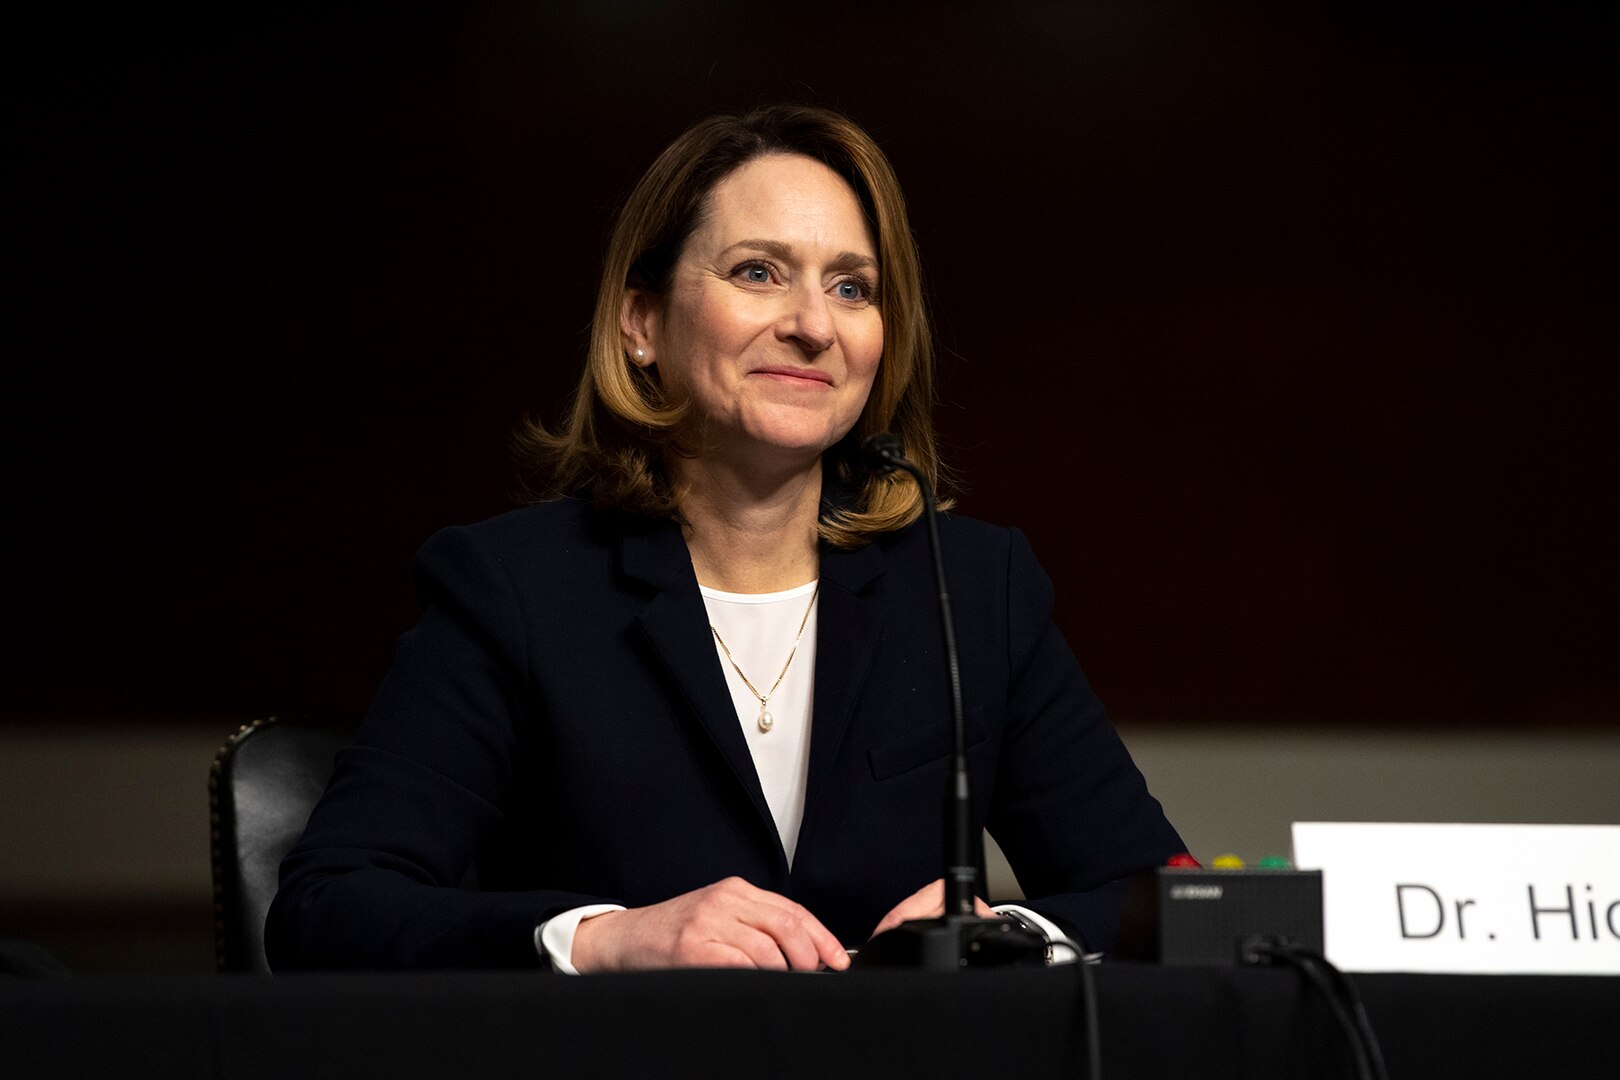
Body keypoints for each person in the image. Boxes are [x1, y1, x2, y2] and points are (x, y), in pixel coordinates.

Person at [265, 104, 1185, 973]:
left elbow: (1169, 896)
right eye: (758, 272)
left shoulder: (977, 591)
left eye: (852, 287)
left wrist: (1011, 934)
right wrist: (607, 941)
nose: (813, 325)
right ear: (642, 323)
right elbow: (328, 908)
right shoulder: (514, 589)